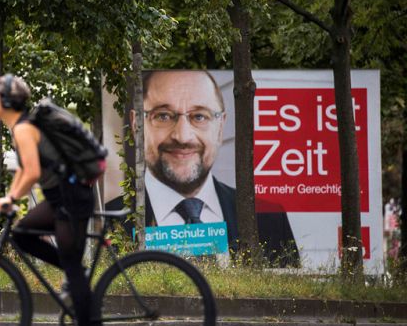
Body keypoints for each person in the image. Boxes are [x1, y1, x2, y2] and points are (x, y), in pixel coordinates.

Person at [108, 70, 299, 266]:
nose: (183, 137)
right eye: (163, 116)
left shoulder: (270, 220)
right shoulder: (108, 223)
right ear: (136, 124)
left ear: (221, 126)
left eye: (199, 116)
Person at [0, 73, 99, 326]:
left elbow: (33, 172)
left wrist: (10, 198)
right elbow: (26, 171)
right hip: (60, 198)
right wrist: (11, 198)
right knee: (22, 234)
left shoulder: (24, 129)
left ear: (7, 101)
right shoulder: (21, 128)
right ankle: (76, 276)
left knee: (73, 265)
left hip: (71, 199)